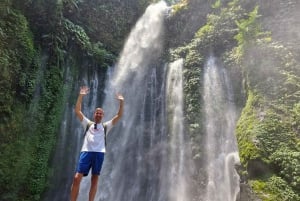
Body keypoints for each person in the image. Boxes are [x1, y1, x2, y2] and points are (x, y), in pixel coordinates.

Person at [70, 86, 124, 201]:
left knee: (94, 179)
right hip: (86, 152)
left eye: (100, 113)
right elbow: (78, 111)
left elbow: (119, 116)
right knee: (76, 178)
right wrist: (81, 95)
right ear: (94, 114)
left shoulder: (106, 127)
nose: (98, 114)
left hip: (99, 153)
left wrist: (121, 102)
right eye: (97, 113)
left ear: (103, 116)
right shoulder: (87, 124)